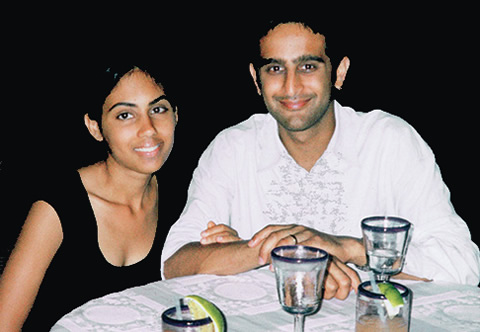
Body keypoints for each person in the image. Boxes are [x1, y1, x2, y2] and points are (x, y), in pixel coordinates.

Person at [161, 15, 480, 297]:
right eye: (275, 68)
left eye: (308, 66)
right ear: (255, 79)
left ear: (339, 72)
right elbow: (175, 263)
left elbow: (463, 266)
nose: (291, 86)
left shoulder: (388, 141)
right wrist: (282, 254)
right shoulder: (233, 147)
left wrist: (349, 248)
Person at [0, 63, 179, 330]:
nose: (149, 128)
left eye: (157, 109)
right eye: (125, 115)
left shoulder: (184, 195)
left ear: (176, 115)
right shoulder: (59, 206)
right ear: (94, 127)